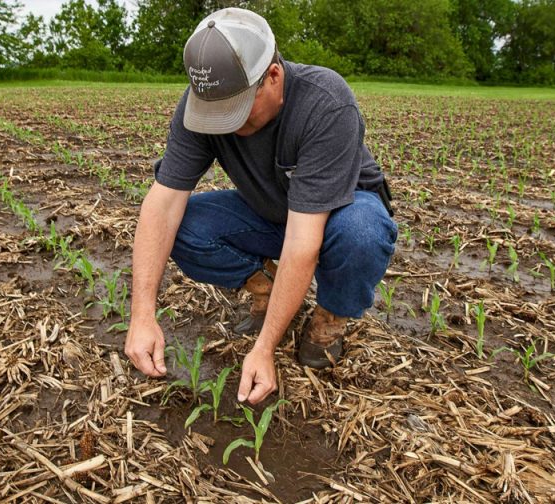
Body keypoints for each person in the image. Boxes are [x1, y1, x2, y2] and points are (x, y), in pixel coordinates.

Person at [124, 7, 396, 405]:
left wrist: (265, 348)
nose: (225, 124)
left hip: (340, 211)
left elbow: (304, 239)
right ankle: (266, 289)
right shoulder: (201, 106)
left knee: (362, 235)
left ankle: (328, 319)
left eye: (235, 109)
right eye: (213, 112)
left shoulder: (325, 103)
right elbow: (161, 205)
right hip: (269, 210)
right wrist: (141, 316)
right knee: (183, 226)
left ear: (272, 75)